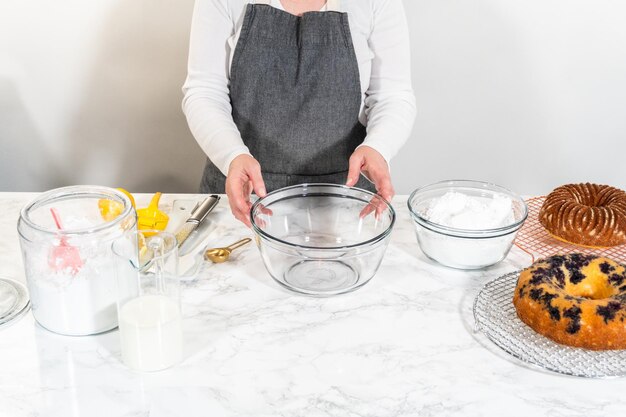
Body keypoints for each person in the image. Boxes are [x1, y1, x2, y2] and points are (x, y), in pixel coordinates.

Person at [182, 0, 416, 226]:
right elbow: (204, 92)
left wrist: (378, 147)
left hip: (345, 201)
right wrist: (231, 155)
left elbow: (392, 96)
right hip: (243, 194)